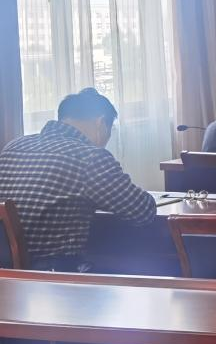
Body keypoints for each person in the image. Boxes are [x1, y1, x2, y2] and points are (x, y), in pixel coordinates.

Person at [0, 88, 155, 271]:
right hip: (53, 274)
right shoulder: (90, 157)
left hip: (8, 274)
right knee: (134, 264)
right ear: (101, 123)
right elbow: (142, 211)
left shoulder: (14, 146)